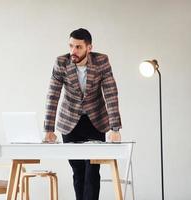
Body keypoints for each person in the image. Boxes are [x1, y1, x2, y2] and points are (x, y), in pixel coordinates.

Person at [43, 28, 122, 200]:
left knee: (93, 169)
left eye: (78, 47)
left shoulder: (101, 61)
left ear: (89, 48)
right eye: (71, 46)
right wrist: (49, 129)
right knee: (78, 170)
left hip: (96, 121)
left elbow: (110, 93)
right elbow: (53, 95)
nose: (73, 51)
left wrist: (115, 128)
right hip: (70, 122)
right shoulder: (61, 62)